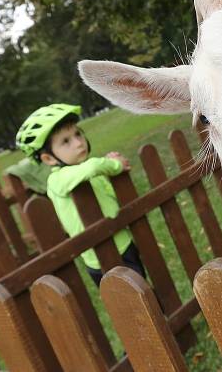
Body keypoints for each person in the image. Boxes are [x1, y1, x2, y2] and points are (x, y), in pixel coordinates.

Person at [15, 104, 146, 286]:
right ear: (49, 159)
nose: (78, 142)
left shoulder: (85, 172)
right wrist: (115, 165)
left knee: (142, 291)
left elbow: (110, 196)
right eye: (66, 141)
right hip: (97, 258)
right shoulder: (58, 180)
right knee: (124, 302)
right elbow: (92, 167)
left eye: (77, 134)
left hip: (123, 244)